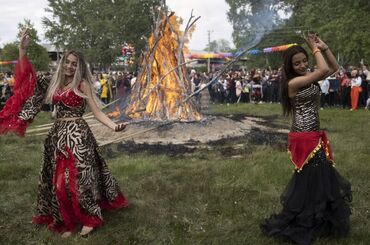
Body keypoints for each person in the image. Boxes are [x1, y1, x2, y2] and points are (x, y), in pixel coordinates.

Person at [0, 29, 129, 237]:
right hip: (57, 136)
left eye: (74, 63)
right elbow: (27, 80)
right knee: (59, 182)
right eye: (67, 62)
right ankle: (65, 219)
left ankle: (90, 218)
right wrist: (22, 50)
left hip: (78, 136)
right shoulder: (54, 81)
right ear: (62, 63)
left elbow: (96, 112)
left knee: (81, 179)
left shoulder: (82, 84)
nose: (69, 66)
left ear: (79, 67)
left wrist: (114, 126)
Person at [260, 33, 352, 245]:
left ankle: (317, 216)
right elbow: (322, 70)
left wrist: (324, 46)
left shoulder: (308, 77)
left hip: (313, 134)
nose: (302, 65)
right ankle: (308, 217)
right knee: (313, 176)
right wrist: (314, 49)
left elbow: (333, 68)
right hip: (303, 137)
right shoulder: (294, 82)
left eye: (304, 61)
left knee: (319, 175)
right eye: (297, 63)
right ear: (290, 66)